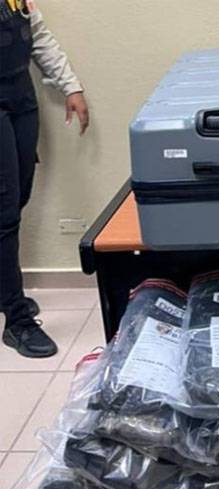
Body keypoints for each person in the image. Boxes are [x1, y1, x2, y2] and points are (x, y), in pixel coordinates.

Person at [0, 0, 89, 358]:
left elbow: (35, 34)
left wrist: (71, 87)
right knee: (4, 213)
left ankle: (6, 291)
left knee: (18, 197)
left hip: (21, 97)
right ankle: (17, 321)